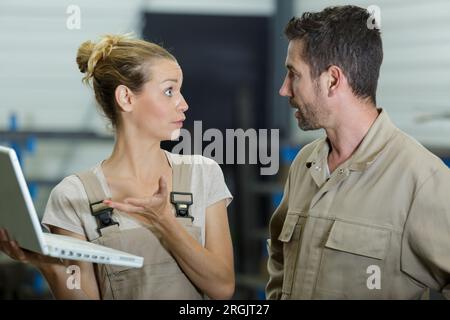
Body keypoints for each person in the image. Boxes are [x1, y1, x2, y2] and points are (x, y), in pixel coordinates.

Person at [0, 34, 235, 300]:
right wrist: (49, 266)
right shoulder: (74, 195)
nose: (183, 104)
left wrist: (165, 221)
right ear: (126, 98)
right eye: (169, 91)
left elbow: (223, 288)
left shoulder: (203, 174)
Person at [266, 5, 450, 299]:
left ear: (333, 80)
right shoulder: (305, 164)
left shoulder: (422, 181)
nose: (284, 90)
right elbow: (279, 256)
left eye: (293, 74)